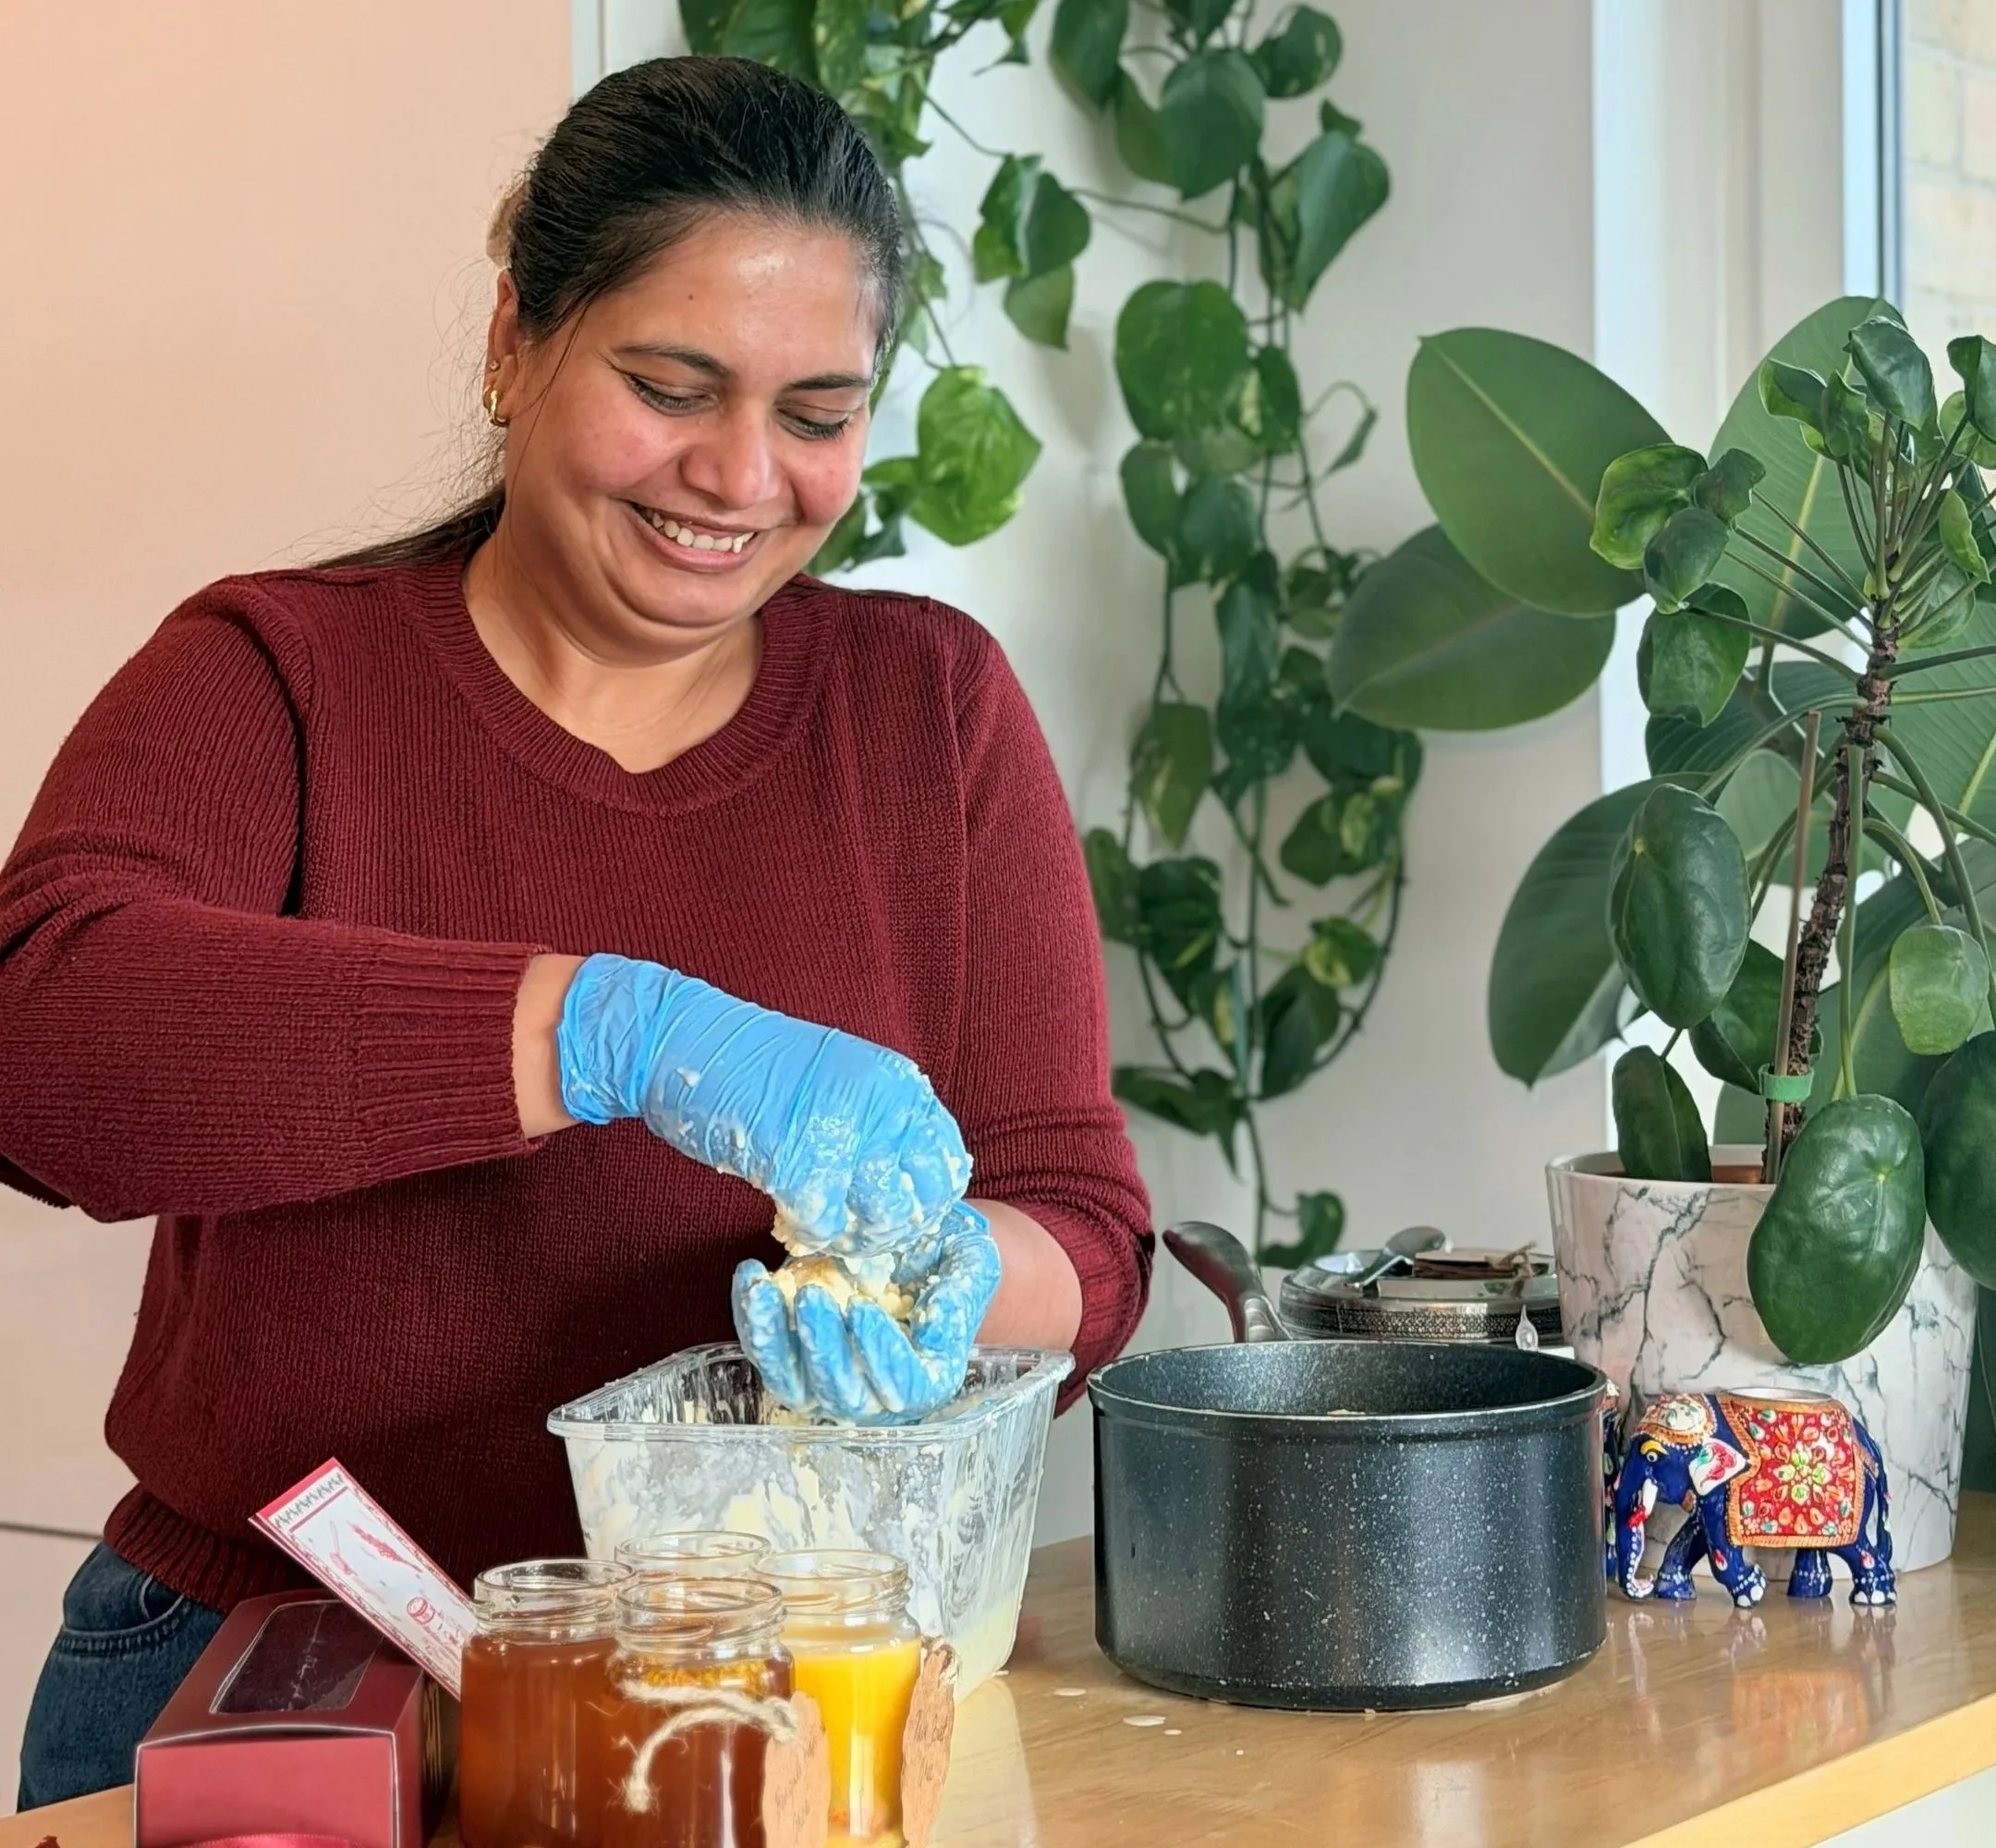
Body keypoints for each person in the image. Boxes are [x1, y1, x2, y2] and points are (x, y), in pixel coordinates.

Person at [1, 55, 1150, 1805]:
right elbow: (40, 1043)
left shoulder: (930, 717)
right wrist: (599, 1029)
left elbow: (1086, 1223)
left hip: (775, 1704)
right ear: (513, 342)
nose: (741, 475)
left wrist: (967, 1275)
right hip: (285, 1692)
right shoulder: (279, 679)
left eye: (819, 411)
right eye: (671, 384)